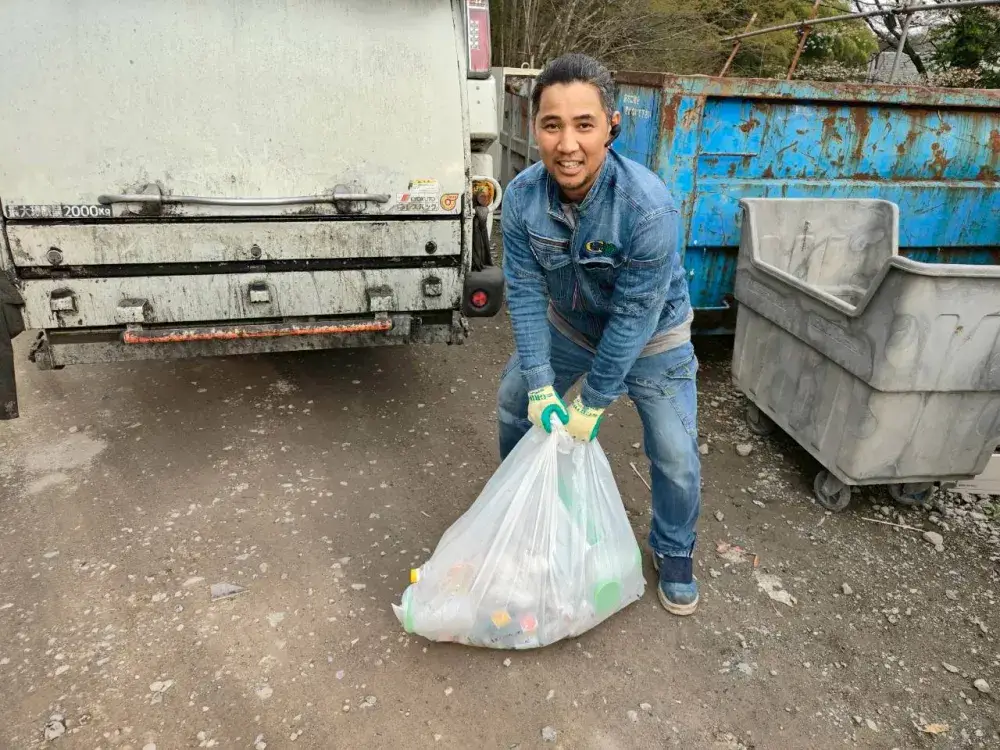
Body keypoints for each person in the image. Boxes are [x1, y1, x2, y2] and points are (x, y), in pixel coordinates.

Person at [496, 53, 701, 616]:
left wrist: (593, 399)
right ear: (532, 126)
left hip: (655, 334)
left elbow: (636, 313)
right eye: (552, 124)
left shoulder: (647, 207)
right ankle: (525, 515)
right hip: (571, 325)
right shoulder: (520, 200)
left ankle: (675, 548)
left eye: (584, 125)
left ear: (612, 126)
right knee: (515, 403)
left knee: (675, 450)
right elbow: (525, 292)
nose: (567, 144)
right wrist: (541, 383)